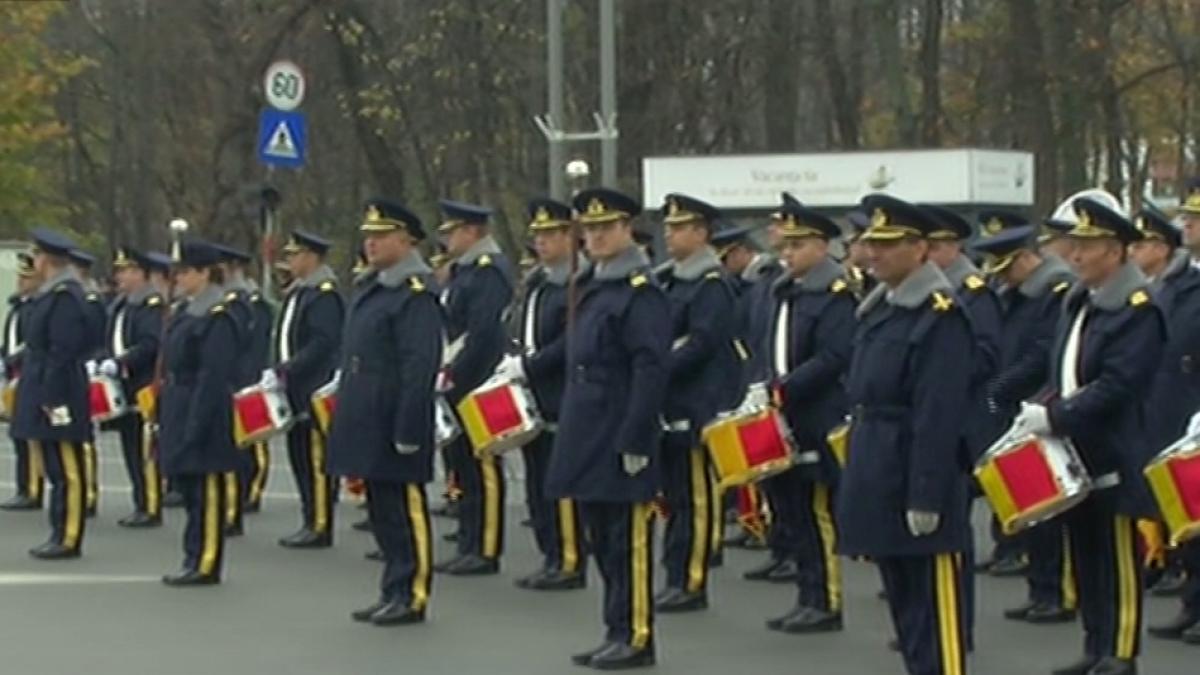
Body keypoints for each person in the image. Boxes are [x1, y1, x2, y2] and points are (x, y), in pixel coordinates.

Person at [1012, 197, 1165, 675]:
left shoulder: (1135, 307)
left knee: (1117, 559)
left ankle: (1120, 651)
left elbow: (1121, 383)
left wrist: (1057, 416)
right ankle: (1095, 644)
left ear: (1117, 251)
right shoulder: (1078, 300)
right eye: (1074, 244)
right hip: (1073, 450)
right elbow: (1063, 367)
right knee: (1087, 556)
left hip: (1114, 449)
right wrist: (1038, 405)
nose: (1076, 255)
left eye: (1089, 245)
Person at [837, 195, 974, 675]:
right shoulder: (883, 310)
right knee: (905, 610)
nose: (874, 252)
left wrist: (927, 493)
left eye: (888, 243)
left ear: (920, 249)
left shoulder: (939, 315)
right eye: (872, 242)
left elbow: (937, 414)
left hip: (913, 469)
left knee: (934, 617)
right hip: (878, 466)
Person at [547, 187, 669, 669]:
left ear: (626, 230)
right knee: (601, 537)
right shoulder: (593, 285)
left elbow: (650, 368)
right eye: (589, 229)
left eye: (605, 228)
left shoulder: (640, 292)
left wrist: (637, 436)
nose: (595, 237)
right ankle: (614, 627)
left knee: (628, 540)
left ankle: (637, 634)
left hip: (620, 427)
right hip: (588, 427)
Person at [329, 199, 441, 626]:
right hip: (367, 413)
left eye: (381, 236)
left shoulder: (414, 294)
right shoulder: (374, 286)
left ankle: (412, 592)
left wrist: (409, 425)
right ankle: (391, 587)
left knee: (405, 509)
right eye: (368, 236)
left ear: (406, 240)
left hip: (395, 414)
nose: (371, 244)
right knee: (380, 509)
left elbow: (418, 366)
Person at [971, 210, 1078, 624]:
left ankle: (1059, 593)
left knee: (1050, 508)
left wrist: (1000, 388)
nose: (1002, 279)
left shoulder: (1054, 291)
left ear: (1023, 259)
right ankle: (1040, 588)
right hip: (1016, 406)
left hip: (1040, 404)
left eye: (1005, 268)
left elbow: (1041, 354)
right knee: (1028, 502)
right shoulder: (1012, 292)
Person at [761, 201, 855, 634]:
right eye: (787, 244)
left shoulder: (833, 293)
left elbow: (835, 356)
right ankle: (806, 594)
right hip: (785, 416)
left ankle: (826, 599)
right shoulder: (787, 290)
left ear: (821, 246)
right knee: (794, 511)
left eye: (798, 245)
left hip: (817, 413)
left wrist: (787, 387)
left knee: (817, 511)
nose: (788, 252)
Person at [652, 193, 739, 613]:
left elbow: (702, 342)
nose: (669, 234)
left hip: (697, 401)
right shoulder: (672, 278)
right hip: (672, 402)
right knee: (676, 497)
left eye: (679, 227)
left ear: (702, 233)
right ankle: (675, 572)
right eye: (668, 227)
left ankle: (692, 580)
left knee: (698, 498)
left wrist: (657, 366)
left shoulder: (710, 284)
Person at [496, 198, 587, 591]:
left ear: (571, 236)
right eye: (537, 235)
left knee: (560, 483)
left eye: (551, 234)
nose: (542, 242)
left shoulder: (577, 282)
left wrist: (528, 365)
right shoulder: (537, 283)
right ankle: (550, 553)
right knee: (537, 484)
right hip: (530, 399)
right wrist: (510, 359)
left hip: (561, 395)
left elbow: (572, 340)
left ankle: (569, 559)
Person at [1132, 203, 1200, 644]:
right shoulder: (1179, 279)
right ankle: (1193, 605)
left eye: (1195, 220)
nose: (1187, 226)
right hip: (1175, 410)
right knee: (1189, 517)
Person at [435, 199, 513, 575]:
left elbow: (481, 335)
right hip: (456, 380)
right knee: (463, 467)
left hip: (475, 381)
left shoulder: (487, 272)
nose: (447, 238)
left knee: (483, 466)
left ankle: (485, 547)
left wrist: (455, 377)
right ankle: (468, 539)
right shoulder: (463, 270)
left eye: (452, 231)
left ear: (472, 232)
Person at [158, 240, 241, 586]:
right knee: (191, 491)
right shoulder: (185, 310)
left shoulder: (217, 316)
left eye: (186, 272)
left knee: (206, 491)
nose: (179, 278)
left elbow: (213, 374)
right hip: (180, 401)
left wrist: (196, 423)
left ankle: (205, 560)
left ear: (205, 273)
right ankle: (192, 556)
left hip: (203, 406)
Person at [14, 229, 93, 559]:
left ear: (46, 259)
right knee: (54, 467)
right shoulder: (50, 295)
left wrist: (53, 400)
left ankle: (69, 535)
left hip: (60, 394)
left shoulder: (65, 297)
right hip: (44, 387)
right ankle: (58, 530)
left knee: (68, 468)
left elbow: (62, 352)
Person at [271, 231, 344, 549]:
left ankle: (320, 523)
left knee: (315, 458)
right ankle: (309, 516)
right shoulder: (299, 292)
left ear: (312, 257)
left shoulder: (323, 294)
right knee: (299, 455)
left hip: (313, 386)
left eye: (296, 254)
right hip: (294, 388)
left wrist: (289, 368)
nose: (290, 261)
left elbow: (322, 342)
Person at [98, 247, 166, 528]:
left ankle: (150, 504)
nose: (119, 277)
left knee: (143, 449)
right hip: (123, 386)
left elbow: (151, 344)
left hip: (142, 385)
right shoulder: (123, 304)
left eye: (125, 271)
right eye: (118, 271)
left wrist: (121, 361)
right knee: (130, 446)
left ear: (140, 273)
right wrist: (104, 360)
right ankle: (140, 501)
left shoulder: (150, 304)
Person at [1, 252, 43, 511]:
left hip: (29, 374)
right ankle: (23, 486)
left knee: (29, 434)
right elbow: (11, 339)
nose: (20, 281)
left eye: (26, 277)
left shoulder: (35, 307)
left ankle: (32, 487)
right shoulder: (18, 306)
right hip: (15, 375)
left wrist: (14, 358)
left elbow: (33, 343)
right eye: (20, 277)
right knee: (17, 432)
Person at [68, 248, 104, 517]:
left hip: (83, 371)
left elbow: (95, 337)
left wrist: (95, 360)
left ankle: (88, 493)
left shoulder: (89, 300)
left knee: (83, 441)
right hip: (81, 369)